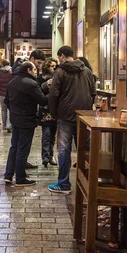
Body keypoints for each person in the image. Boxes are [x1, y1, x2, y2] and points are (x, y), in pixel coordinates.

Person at [48, 46, 96, 194]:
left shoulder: (60, 72)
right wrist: (87, 109)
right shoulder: (87, 71)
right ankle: (88, 182)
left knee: (64, 150)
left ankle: (63, 184)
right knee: (85, 149)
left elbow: (54, 94)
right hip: (83, 116)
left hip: (65, 116)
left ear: (62, 56)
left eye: (59, 57)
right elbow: (93, 92)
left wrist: (53, 112)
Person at [4, 61, 48, 187]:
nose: (36, 72)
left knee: (14, 147)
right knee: (23, 148)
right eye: (34, 70)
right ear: (29, 70)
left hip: (15, 118)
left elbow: (7, 100)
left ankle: (8, 175)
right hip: (27, 119)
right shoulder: (31, 83)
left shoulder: (12, 81)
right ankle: (20, 178)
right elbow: (42, 100)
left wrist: (14, 110)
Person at [40, 60, 57, 167]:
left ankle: (50, 156)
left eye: (55, 66)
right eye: (51, 66)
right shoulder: (41, 78)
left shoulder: (58, 77)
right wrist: (47, 84)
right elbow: (39, 91)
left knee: (52, 136)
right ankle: (45, 157)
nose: (53, 68)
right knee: (46, 134)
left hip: (55, 111)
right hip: (45, 111)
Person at [0, 59, 12, 132]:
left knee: (3, 109)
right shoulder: (11, 72)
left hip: (1, 93)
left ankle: (4, 125)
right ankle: (9, 125)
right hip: (10, 93)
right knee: (9, 109)